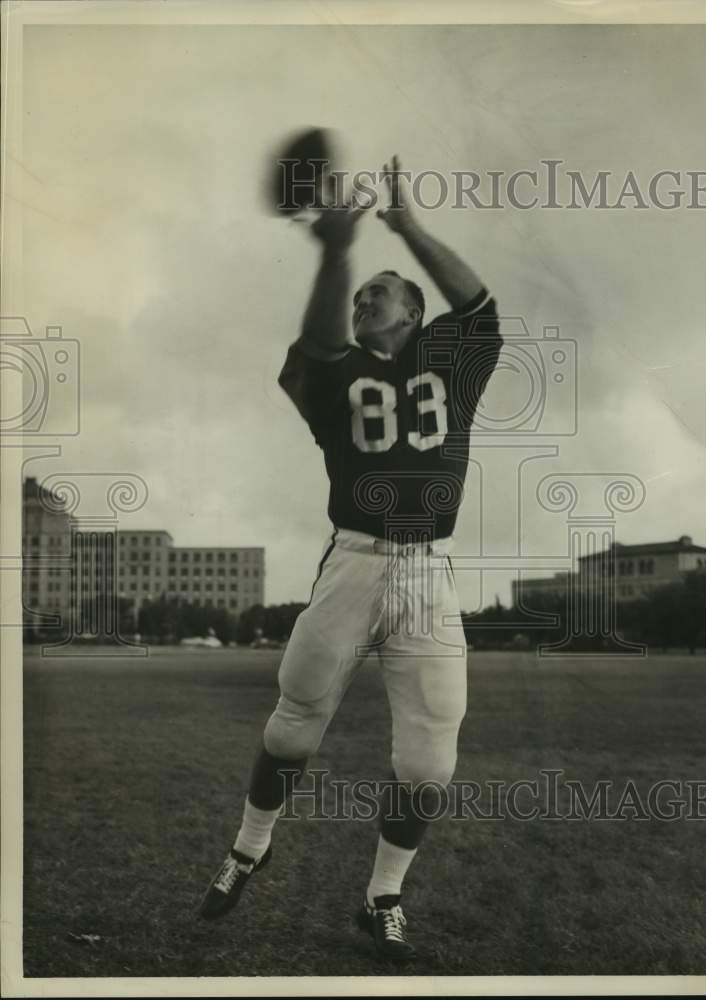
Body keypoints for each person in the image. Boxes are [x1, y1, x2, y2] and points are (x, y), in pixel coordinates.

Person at [200, 155, 502, 961]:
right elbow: (320, 342)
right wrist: (336, 254)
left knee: (429, 760)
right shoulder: (332, 371)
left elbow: (477, 302)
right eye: (359, 292)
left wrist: (407, 225)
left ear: (414, 311)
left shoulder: (451, 360)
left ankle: (382, 896)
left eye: (381, 292)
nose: (365, 299)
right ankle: (247, 851)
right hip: (353, 564)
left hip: (428, 572)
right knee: (294, 727)